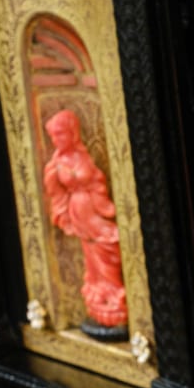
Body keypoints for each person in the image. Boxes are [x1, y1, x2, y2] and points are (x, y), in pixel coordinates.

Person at [41, 109, 127, 336]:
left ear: (73, 133)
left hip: (94, 208)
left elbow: (98, 180)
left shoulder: (82, 156)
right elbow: (55, 193)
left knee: (110, 248)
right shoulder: (56, 165)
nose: (57, 140)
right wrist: (64, 215)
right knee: (95, 251)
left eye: (62, 134)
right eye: (54, 136)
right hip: (80, 211)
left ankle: (114, 295)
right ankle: (106, 296)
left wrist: (107, 206)